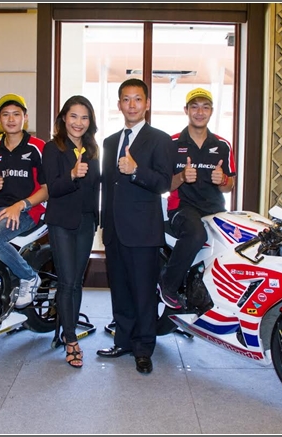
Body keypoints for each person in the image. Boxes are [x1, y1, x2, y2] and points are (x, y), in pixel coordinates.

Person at [97, 78, 172, 374]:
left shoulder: (160, 139)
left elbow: (163, 183)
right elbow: (107, 185)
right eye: (126, 99)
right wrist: (104, 224)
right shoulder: (109, 142)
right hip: (115, 230)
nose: (132, 105)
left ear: (147, 104)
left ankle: (143, 349)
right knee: (120, 290)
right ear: (119, 105)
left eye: (138, 99)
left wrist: (136, 170)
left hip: (143, 230)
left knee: (143, 293)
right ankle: (123, 341)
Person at [158, 87, 236, 309]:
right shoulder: (172, 143)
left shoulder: (222, 145)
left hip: (216, 209)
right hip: (182, 207)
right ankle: (168, 284)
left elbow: (229, 186)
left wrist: (222, 180)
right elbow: (163, 185)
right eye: (195, 107)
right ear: (186, 110)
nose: (200, 112)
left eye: (205, 107)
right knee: (195, 233)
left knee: (236, 243)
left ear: (211, 111)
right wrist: (182, 176)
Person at [42, 95, 100, 368]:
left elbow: (96, 187)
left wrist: (97, 218)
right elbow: (52, 188)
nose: (79, 122)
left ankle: (69, 329)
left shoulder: (93, 149)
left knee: (77, 281)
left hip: (86, 222)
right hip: (62, 222)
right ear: (64, 118)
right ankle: (71, 340)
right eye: (74, 116)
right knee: (66, 281)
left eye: (84, 117)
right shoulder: (52, 148)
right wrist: (72, 175)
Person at [0, 93, 49, 309]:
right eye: (5, 114)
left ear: (25, 118)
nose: (11, 119)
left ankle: (29, 276)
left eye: (16, 114)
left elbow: (47, 190)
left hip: (30, 209)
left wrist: (21, 205)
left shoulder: (37, 148)